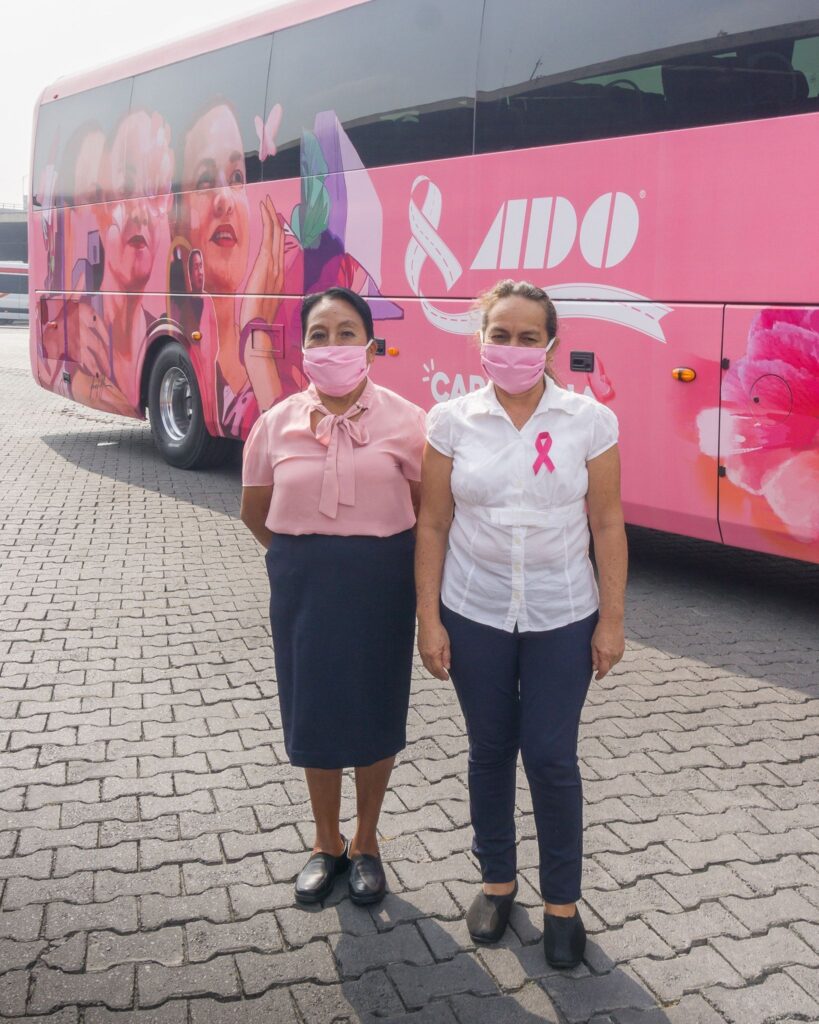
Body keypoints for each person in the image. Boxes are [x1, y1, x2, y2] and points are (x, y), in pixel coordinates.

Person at [415, 279, 627, 968]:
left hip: (561, 614)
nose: (511, 347)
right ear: (480, 340)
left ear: (550, 344)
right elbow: (434, 522)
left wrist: (611, 621)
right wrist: (429, 619)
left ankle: (561, 903)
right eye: (498, 334)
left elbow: (606, 522)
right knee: (487, 749)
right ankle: (497, 881)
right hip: (472, 608)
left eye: (527, 336)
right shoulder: (449, 420)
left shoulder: (587, 422)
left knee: (550, 755)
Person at [240, 286, 426, 906]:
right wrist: (304, 558)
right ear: (304, 347)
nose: (334, 345)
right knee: (315, 712)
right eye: (320, 334)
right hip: (304, 582)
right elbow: (254, 510)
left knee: (376, 710)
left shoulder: (407, 421)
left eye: (347, 332)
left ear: (370, 344)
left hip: (383, 581)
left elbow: (430, 512)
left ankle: (367, 844)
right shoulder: (275, 423)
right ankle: (326, 844)